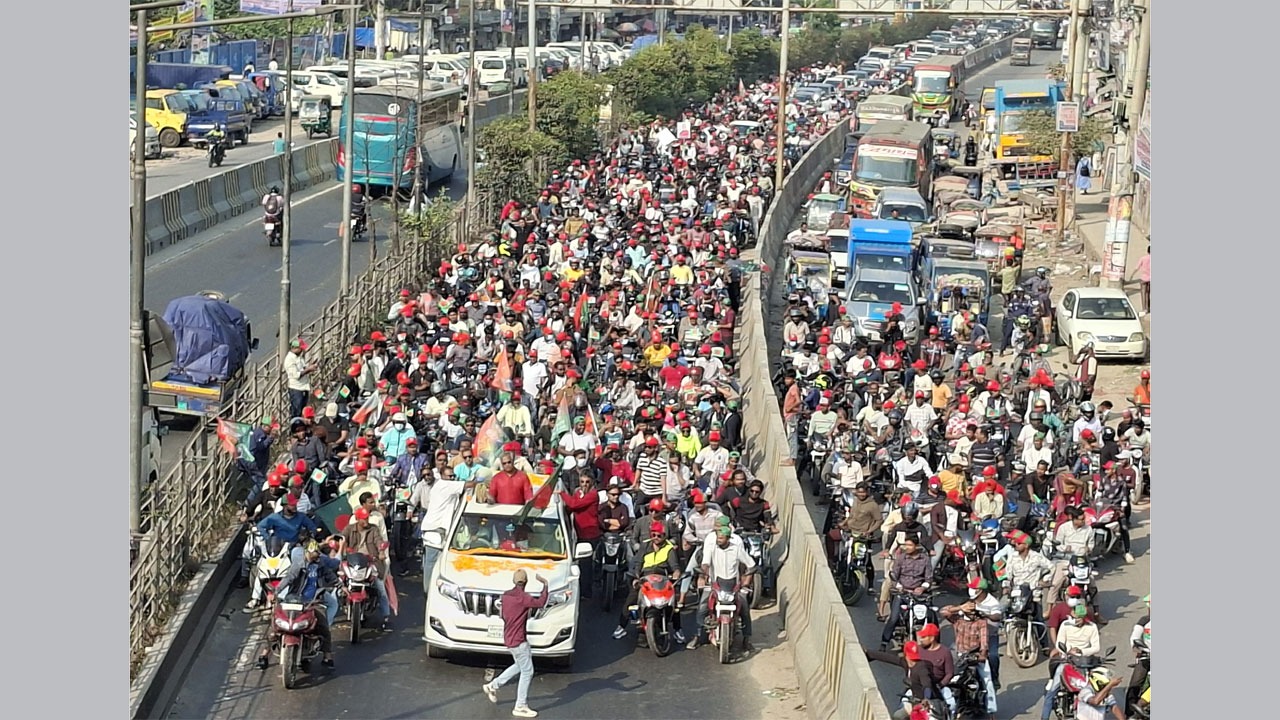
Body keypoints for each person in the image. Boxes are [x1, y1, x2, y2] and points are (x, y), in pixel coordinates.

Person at [256, 540, 337, 669]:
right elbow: (289, 578)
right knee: (276, 624)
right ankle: (264, 654)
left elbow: (331, 576)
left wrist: (341, 586)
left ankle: (327, 656)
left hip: (313, 601)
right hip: (294, 600)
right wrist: (275, 592)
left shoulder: (321, 565)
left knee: (323, 626)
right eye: (311, 554)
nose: (313, 557)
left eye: (316, 555)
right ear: (306, 553)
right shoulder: (299, 565)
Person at [481, 569, 550, 718]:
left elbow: (502, 615)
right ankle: (520, 705)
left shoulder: (506, 596)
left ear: (514, 581)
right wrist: (545, 585)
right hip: (519, 640)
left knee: (519, 666)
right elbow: (541, 602)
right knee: (528, 671)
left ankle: (493, 685)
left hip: (508, 637)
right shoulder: (523, 598)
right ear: (525, 582)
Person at [688, 523, 757, 652]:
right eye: (718, 537)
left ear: (728, 538)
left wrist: (747, 577)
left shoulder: (737, 548)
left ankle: (746, 639)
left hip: (733, 587)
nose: (718, 540)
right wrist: (704, 573)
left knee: (745, 609)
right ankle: (697, 637)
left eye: (721, 538)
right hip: (715, 585)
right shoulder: (712, 548)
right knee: (702, 607)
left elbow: (751, 564)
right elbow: (705, 563)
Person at [613, 521, 683, 642]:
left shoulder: (669, 549)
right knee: (631, 599)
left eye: (659, 535)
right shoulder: (644, 546)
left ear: (664, 535)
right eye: (653, 535)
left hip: (662, 578)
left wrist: (676, 573)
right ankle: (621, 626)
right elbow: (638, 563)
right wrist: (636, 577)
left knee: (673, 603)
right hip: (645, 578)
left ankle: (678, 630)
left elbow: (675, 566)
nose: (656, 538)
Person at [1040, 604, 1102, 720]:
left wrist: (1081, 651)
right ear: (1072, 614)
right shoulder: (1065, 625)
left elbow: (1096, 647)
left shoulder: (1092, 627)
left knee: (1099, 690)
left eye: (1081, 617)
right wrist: (1069, 651)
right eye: (1076, 617)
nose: (1078, 620)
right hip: (1067, 662)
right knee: (1052, 691)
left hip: (1085, 663)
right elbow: (1059, 644)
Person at [339, 507, 393, 631]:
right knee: (338, 585)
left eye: (367, 518)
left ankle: (386, 617)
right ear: (357, 519)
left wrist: (381, 551)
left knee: (380, 588)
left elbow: (379, 541)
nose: (366, 522)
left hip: (370, 562)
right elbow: (341, 539)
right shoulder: (349, 529)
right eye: (363, 519)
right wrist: (337, 547)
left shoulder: (373, 529)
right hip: (353, 562)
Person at [864, 641, 947, 720]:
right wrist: (870, 654)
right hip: (915, 699)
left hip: (930, 703)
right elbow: (889, 658)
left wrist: (926, 699)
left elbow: (927, 684)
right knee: (898, 716)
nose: (913, 661)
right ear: (906, 656)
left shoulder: (922, 669)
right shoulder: (906, 663)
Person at [880, 533, 932, 650]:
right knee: (893, 618)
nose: (907, 547)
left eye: (910, 545)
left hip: (919, 595)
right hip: (902, 593)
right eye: (906, 545)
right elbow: (894, 575)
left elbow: (929, 578)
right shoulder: (901, 558)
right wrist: (899, 586)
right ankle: (884, 641)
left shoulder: (925, 559)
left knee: (930, 617)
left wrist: (922, 588)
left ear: (916, 546)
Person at [284, 339, 317, 420]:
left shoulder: (299, 358)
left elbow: (303, 368)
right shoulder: (290, 360)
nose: (302, 350)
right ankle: (296, 427)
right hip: (296, 389)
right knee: (297, 411)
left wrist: (310, 367)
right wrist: (309, 369)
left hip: (304, 387)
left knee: (303, 410)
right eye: (301, 348)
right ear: (295, 348)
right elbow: (296, 375)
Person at [1131, 245, 1151, 315]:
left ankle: (1144, 309)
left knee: (1143, 293)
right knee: (1148, 293)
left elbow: (1137, 267)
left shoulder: (1143, 258)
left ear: (1147, 251)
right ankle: (1148, 307)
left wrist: (1132, 275)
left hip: (1143, 278)